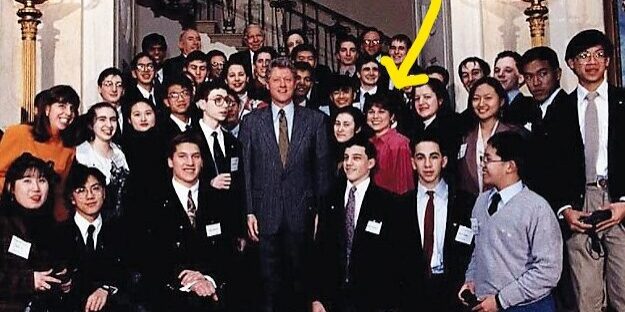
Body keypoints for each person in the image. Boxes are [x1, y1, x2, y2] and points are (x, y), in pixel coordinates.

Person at [239, 58, 331, 312]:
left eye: (288, 80)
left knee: (299, 287)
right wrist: (249, 211)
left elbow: (321, 172)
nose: (282, 85)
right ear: (267, 83)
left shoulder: (315, 121)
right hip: (264, 215)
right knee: (268, 289)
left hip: (301, 215)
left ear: (296, 83)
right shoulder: (251, 122)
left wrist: (319, 214)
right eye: (276, 80)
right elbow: (246, 171)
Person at [547, 29, 625, 312]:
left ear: (608, 62)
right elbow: (550, 167)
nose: (591, 61)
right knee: (586, 301)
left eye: (598, 55)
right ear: (571, 63)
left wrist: (624, 204)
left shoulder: (622, 101)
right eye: (583, 56)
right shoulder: (559, 109)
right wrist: (564, 208)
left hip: (619, 203)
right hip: (579, 207)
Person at [459, 131, 562, 311]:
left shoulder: (537, 208)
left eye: (488, 160)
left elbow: (548, 271)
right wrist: (471, 281)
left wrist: (501, 300)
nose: (482, 165)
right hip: (485, 305)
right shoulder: (481, 202)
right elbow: (478, 250)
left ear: (510, 166)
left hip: (528, 307)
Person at [312, 135, 403, 312]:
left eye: (356, 158)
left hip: (372, 300)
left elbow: (394, 258)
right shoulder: (329, 199)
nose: (349, 163)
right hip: (333, 299)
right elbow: (319, 251)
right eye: (346, 158)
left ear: (370, 163)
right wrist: (317, 298)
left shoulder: (388, 203)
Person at [140, 133, 219, 312]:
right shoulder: (151, 203)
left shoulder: (219, 199)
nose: (190, 163)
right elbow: (148, 254)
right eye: (182, 156)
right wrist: (186, 279)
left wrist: (206, 278)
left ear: (203, 161)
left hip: (213, 291)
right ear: (170, 161)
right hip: (169, 293)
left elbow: (227, 250)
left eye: (196, 156)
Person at [397, 135, 476, 312]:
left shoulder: (465, 203)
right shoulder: (400, 205)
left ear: (444, 161)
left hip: (454, 295)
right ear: (412, 163)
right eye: (420, 157)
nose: (427, 165)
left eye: (433, 157)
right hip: (411, 296)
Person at [0, 153, 71, 311]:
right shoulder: (3, 223)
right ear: (11, 187)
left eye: (42, 180)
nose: (36, 188)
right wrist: (28, 281)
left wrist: (65, 279)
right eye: (27, 181)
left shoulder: (52, 226)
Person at [0, 85, 80, 221]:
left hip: (46, 219)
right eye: (62, 106)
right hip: (10, 215)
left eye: (72, 108)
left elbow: (59, 191)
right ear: (47, 109)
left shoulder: (68, 148)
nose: (68, 112)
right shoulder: (19, 133)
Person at [56, 164, 129, 312]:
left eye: (95, 188)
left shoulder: (121, 232)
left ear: (104, 193)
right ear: (72, 198)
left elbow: (128, 273)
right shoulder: (58, 234)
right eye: (81, 190)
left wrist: (106, 288)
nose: (90, 196)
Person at [456, 77, 521, 196]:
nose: (481, 104)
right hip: (471, 208)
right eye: (476, 99)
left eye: (488, 98)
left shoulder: (514, 134)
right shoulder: (464, 135)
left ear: (501, 101)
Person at [75, 102, 130, 220]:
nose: (109, 125)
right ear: (91, 124)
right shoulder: (81, 154)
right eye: (102, 119)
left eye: (113, 119)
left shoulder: (120, 152)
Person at [365, 93, 414, 195]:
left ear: (392, 116)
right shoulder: (367, 142)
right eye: (371, 112)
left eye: (381, 112)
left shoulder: (400, 143)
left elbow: (404, 186)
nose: (375, 116)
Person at [413, 78, 461, 163]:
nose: (421, 102)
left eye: (427, 97)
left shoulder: (450, 127)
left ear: (440, 100)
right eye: (417, 98)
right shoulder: (413, 129)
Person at [493, 51, 534, 126]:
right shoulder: (489, 105)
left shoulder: (530, 106)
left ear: (520, 78)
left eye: (508, 70)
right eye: (497, 70)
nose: (500, 74)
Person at [330, 106, 365, 178]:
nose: (340, 129)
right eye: (337, 124)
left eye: (346, 125)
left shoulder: (363, 152)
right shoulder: (328, 149)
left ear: (358, 128)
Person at [159, 76, 195, 143]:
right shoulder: (161, 131)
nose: (181, 99)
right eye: (174, 95)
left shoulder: (199, 123)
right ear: (166, 102)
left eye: (185, 93)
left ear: (191, 97)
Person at [97, 67, 126, 139]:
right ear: (99, 89)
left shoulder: (132, 115)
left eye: (118, 85)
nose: (114, 89)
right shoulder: (89, 118)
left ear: (123, 91)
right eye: (109, 84)